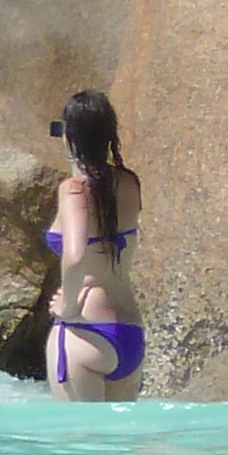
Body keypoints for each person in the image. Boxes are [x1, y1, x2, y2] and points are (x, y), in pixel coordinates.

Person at [44, 87, 145, 400]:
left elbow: (75, 257)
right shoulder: (129, 182)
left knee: (79, 445)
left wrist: (69, 308)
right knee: (116, 446)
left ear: (70, 135)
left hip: (84, 330)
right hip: (129, 333)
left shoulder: (73, 190)